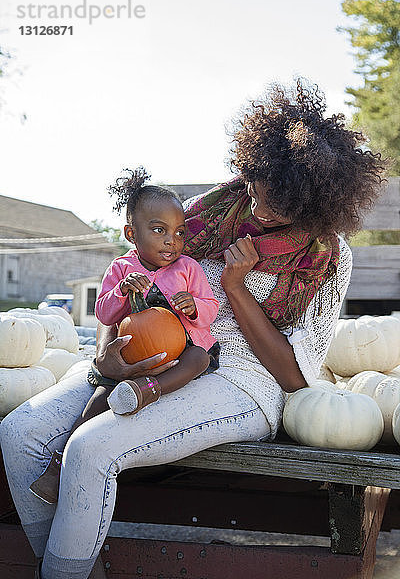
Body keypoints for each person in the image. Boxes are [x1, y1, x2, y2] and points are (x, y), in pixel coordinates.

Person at [0, 80, 387, 579]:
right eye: (256, 192)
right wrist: (105, 357)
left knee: (91, 448)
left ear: (316, 204)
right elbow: (131, 277)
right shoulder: (213, 211)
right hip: (154, 354)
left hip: (245, 383)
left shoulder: (328, 259)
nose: (259, 212)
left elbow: (295, 378)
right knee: (19, 433)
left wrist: (235, 285)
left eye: (278, 208)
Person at [29, 168, 220, 505]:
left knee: (200, 359)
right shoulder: (120, 268)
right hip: (133, 352)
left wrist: (193, 307)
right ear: (132, 233)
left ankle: (149, 390)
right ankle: (58, 466)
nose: (170, 241)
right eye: (159, 231)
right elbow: (104, 313)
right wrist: (121, 292)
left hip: (180, 346)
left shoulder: (188, 267)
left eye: (178, 233)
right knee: (103, 392)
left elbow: (211, 306)